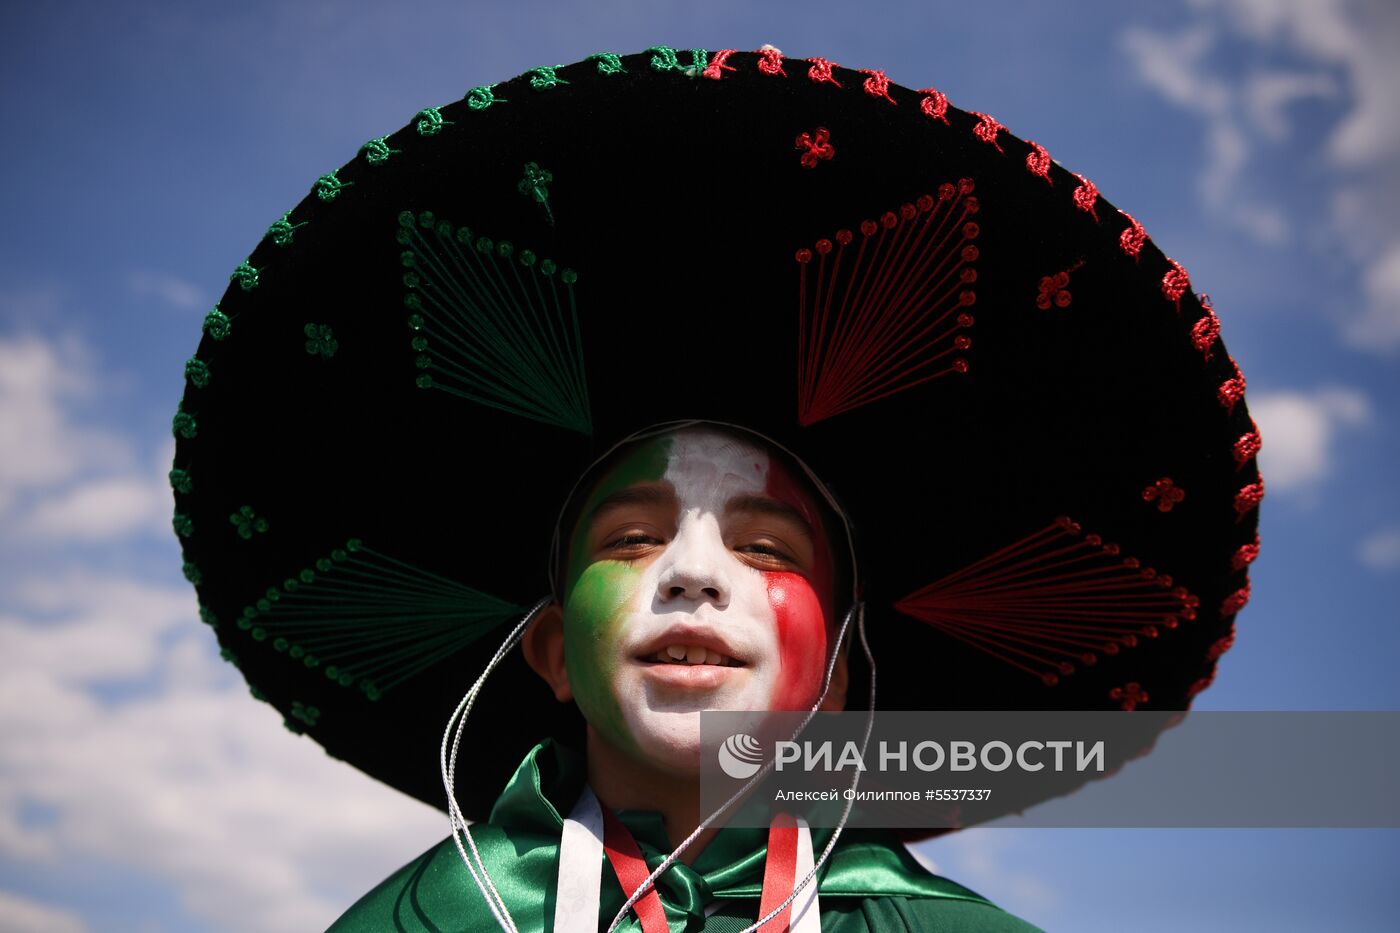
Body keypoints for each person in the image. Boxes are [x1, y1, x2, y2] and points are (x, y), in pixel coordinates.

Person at [171, 46, 1261, 932]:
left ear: (838, 679)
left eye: (768, 551)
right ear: (551, 651)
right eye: (632, 539)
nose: (693, 572)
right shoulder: (425, 925)